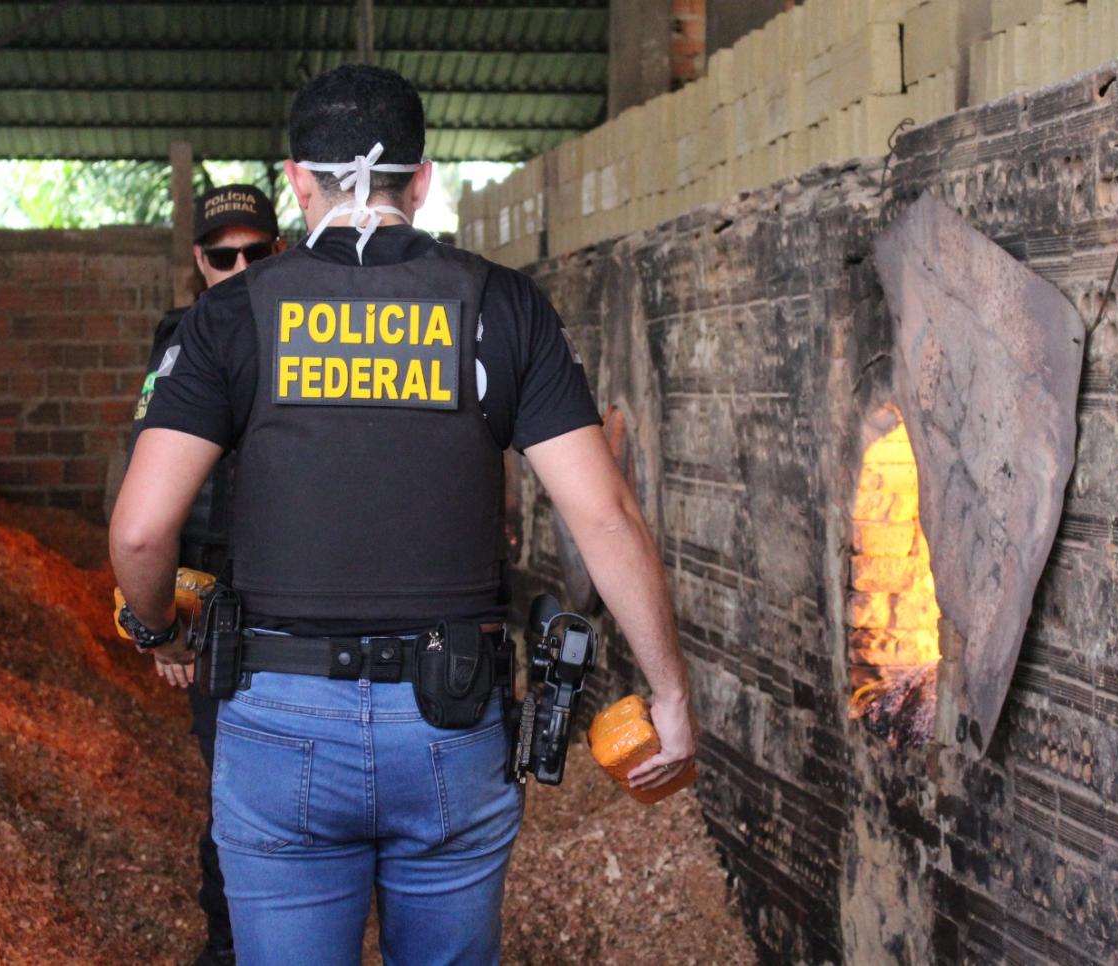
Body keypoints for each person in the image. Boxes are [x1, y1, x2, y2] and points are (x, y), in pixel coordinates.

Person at [109, 65, 696, 966]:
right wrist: (670, 692)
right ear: (421, 180)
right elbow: (606, 516)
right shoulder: (500, 308)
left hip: (279, 720)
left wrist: (159, 632)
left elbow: (143, 530)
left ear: (296, 180)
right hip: (450, 721)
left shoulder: (230, 319)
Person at [124, 183, 285, 966]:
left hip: (296, 582)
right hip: (217, 592)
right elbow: (150, 500)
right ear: (199, 260)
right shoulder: (184, 341)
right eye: (224, 256)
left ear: (279, 252)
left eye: (256, 252)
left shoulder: (308, 327)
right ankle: (229, 947)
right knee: (236, 790)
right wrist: (165, 621)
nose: (241, 266)